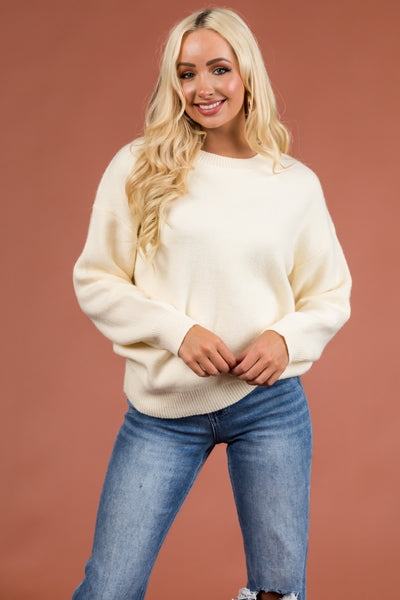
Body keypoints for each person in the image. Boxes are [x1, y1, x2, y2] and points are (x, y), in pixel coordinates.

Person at [71, 7, 351, 600]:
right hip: (163, 410)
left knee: (278, 593)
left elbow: (330, 293)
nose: (204, 87)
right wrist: (177, 332)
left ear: (247, 73)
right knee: (110, 588)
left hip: (269, 406)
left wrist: (286, 339)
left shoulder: (293, 183)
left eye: (219, 69)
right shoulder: (139, 165)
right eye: (187, 73)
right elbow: (97, 279)